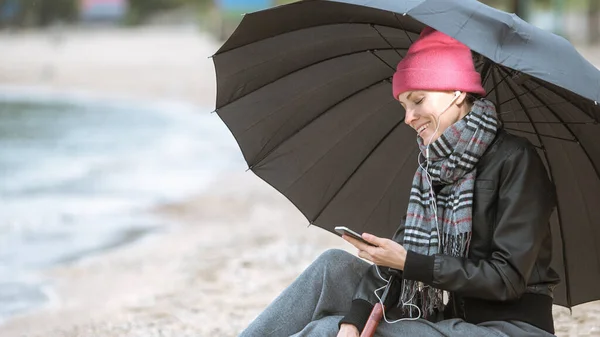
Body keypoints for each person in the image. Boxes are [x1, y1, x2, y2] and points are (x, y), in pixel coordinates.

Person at [238, 27, 560, 337]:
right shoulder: (433, 167)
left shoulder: (516, 160)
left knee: (325, 329)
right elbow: (395, 264)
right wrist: (355, 317)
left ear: (458, 92)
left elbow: (506, 278)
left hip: (504, 328)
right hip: (445, 315)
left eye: (418, 101)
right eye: (404, 106)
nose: (408, 117)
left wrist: (411, 263)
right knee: (331, 266)